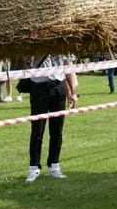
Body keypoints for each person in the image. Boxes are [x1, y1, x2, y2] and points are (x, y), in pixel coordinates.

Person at [25, 54, 78, 183]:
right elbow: (25, 59)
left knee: (57, 131)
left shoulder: (63, 47)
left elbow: (68, 67)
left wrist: (72, 92)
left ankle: (54, 166)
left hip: (58, 88)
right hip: (39, 88)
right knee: (37, 130)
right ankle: (34, 167)